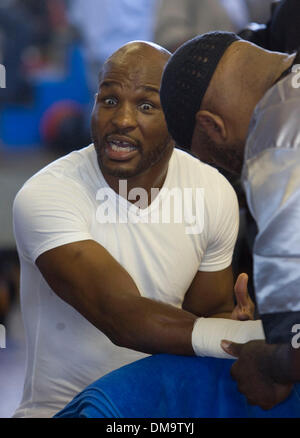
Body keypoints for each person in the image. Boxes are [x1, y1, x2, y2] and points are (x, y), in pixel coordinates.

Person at [13, 40, 264, 418]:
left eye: (146, 106)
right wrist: (254, 339)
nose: (122, 120)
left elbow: (209, 315)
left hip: (162, 407)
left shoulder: (211, 191)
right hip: (62, 410)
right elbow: (122, 315)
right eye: (109, 100)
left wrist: (233, 324)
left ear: (178, 118)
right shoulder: (47, 194)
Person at [160, 31, 300, 410]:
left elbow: (295, 347)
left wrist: (269, 363)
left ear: (212, 127)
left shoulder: (278, 140)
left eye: (222, 162)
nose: (234, 171)